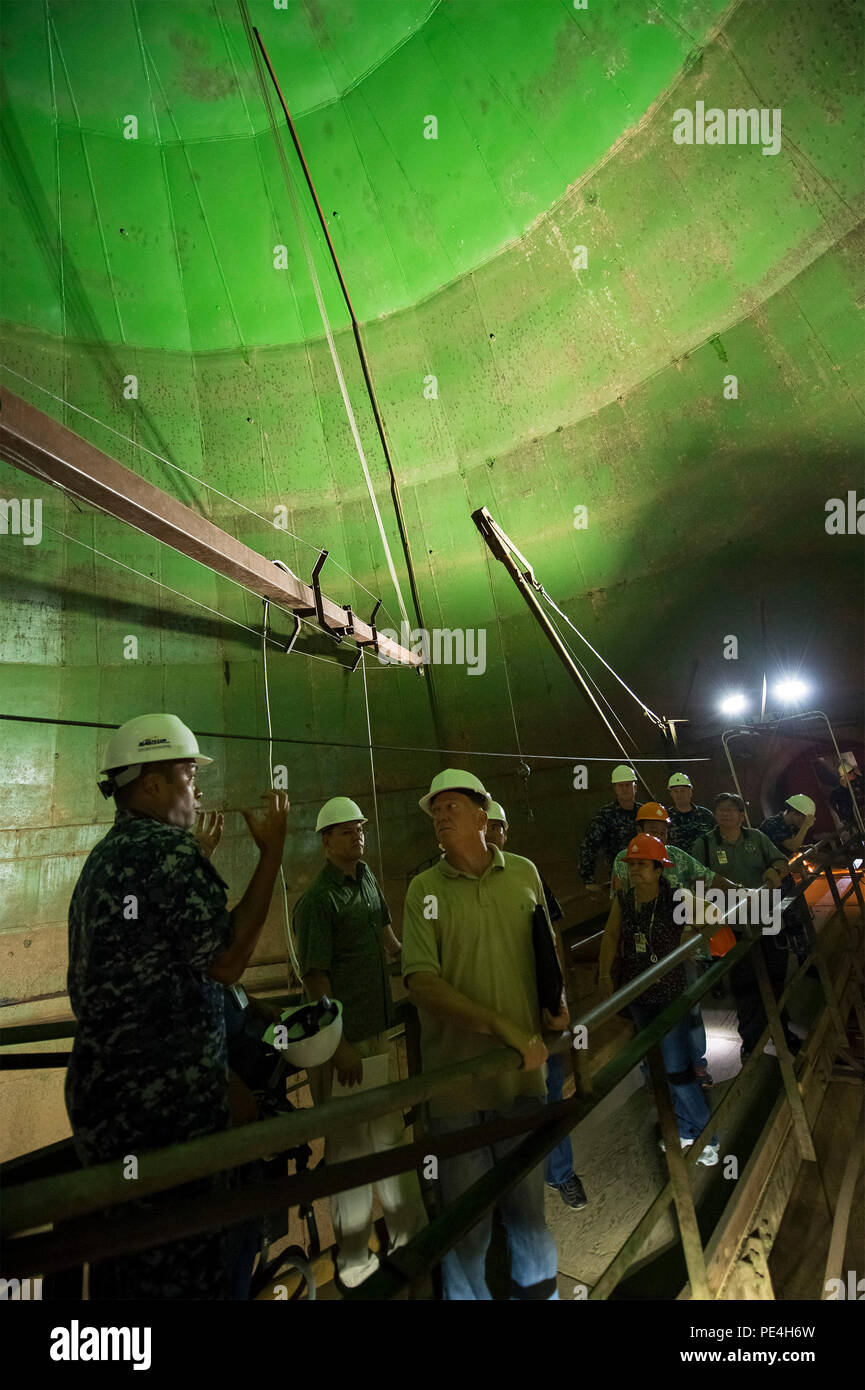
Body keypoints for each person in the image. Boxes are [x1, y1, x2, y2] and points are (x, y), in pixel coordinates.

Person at [65, 713, 288, 1300]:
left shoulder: (105, 860)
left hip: (112, 1107)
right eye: (189, 774)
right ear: (153, 784)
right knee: (187, 1271)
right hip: (167, 1117)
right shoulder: (166, 851)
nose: (198, 788)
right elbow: (227, 961)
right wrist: (272, 855)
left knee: (130, 1269)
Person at [402, 769, 568, 1300]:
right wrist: (500, 1026)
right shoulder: (424, 890)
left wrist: (557, 1006)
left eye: (451, 806)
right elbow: (422, 982)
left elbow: (546, 949)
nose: (440, 817)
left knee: (528, 1213)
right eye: (435, 811)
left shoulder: (523, 873)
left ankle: (538, 1296)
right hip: (457, 1086)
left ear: (482, 815)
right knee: (466, 1227)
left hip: (521, 1078)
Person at [294, 795, 427, 1290]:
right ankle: (352, 1259)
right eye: (346, 831)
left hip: (377, 1032)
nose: (357, 836)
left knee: (388, 1136)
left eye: (360, 828)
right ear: (326, 841)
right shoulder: (317, 902)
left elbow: (388, 941)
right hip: (345, 1047)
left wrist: (416, 967)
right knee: (349, 1151)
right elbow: (315, 979)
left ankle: (409, 1235)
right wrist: (339, 1043)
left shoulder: (367, 879)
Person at [485, 800, 588, 1212]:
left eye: (497, 827)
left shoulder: (526, 874)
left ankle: (560, 1174)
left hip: (534, 1008)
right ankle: (514, 1184)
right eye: (485, 826)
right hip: (493, 1014)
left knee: (549, 1091)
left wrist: (559, 996)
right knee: (499, 1102)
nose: (490, 834)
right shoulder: (451, 886)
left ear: (505, 832)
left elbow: (550, 939)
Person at [597, 834, 719, 1166]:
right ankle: (685, 1128)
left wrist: (690, 934)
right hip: (639, 994)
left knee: (677, 1071)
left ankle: (707, 1136)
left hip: (669, 994)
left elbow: (711, 914)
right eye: (631, 864)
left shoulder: (676, 898)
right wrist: (604, 974)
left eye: (641, 864)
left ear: (658, 868)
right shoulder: (624, 900)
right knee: (663, 1068)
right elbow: (611, 934)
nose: (634, 870)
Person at [609, 802, 737, 1088]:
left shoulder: (678, 857)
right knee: (648, 1014)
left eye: (663, 831)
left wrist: (740, 891)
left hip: (681, 951)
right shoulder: (624, 861)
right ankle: (655, 1071)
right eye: (652, 830)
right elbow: (618, 909)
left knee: (689, 1009)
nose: (660, 836)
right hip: (642, 955)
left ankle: (696, 1066)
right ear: (639, 830)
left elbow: (709, 877)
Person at [691, 793, 798, 1063]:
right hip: (732, 927)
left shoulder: (756, 839)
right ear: (715, 814)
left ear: (741, 814)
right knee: (745, 985)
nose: (725, 814)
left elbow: (779, 861)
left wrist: (774, 869)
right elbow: (695, 882)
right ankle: (751, 1042)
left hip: (765, 918)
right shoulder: (704, 845)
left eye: (731, 809)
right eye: (720, 809)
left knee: (775, 978)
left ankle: (782, 1032)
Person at [760, 795, 817, 961]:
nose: (805, 823)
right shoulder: (773, 824)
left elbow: (791, 844)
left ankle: (803, 958)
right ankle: (779, 957)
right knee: (775, 918)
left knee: (794, 915)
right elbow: (791, 845)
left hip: (783, 874)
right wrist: (805, 827)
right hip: (769, 878)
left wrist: (804, 846)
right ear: (795, 814)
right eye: (805, 819)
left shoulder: (788, 824)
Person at [579, 764, 640, 899]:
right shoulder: (605, 815)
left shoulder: (644, 813)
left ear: (635, 788)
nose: (625, 789)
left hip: (648, 878)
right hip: (621, 881)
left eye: (628, 785)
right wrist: (588, 879)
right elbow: (589, 845)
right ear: (615, 789)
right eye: (621, 786)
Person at [666, 773, 714, 850]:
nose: (679, 795)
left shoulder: (706, 815)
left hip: (702, 860)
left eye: (682, 791)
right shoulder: (665, 817)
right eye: (675, 791)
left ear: (690, 792)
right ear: (671, 794)